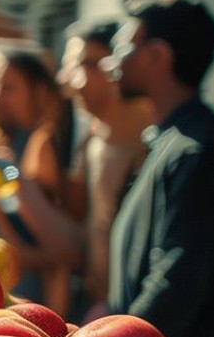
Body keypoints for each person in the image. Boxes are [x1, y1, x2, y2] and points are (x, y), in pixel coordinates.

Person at [101, 0, 214, 337]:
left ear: (157, 56)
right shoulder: (173, 141)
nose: (110, 62)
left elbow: (176, 281)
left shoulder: (195, 151)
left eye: (123, 47)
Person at [0, 40, 79, 311]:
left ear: (41, 92)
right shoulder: (9, 148)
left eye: (8, 88)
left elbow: (65, 253)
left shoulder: (44, 146)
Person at [58, 19, 154, 315]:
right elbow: (79, 238)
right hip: (96, 309)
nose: (70, 80)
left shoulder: (154, 147)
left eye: (86, 64)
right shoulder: (90, 142)